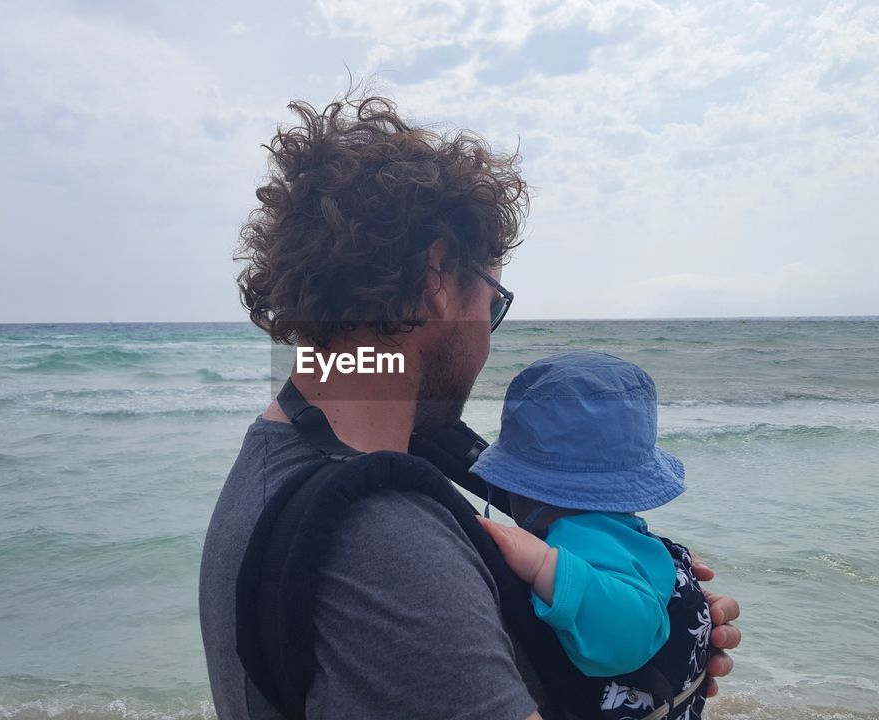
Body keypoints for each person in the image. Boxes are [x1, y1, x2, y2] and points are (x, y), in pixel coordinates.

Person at [198, 93, 741, 720]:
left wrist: (656, 629)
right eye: (494, 300)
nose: (489, 333)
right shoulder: (383, 545)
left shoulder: (279, 457)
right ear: (437, 276)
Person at [474, 351, 711, 717]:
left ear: (518, 487)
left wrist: (542, 565)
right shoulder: (634, 538)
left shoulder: (573, 540)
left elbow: (631, 635)